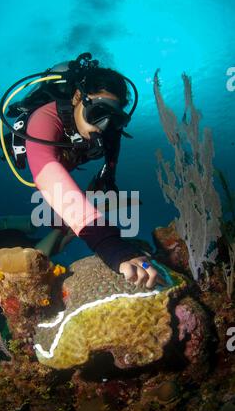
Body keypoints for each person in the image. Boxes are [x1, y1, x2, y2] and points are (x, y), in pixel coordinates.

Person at [25, 66, 165, 289]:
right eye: (99, 112)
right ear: (78, 97)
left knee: (72, 220)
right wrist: (108, 243)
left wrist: (87, 214)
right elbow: (47, 170)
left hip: (68, 176)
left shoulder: (108, 132)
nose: (104, 127)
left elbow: (107, 174)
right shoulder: (45, 118)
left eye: (114, 119)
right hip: (43, 162)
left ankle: (61, 230)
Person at [0, 215, 72, 284]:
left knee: (36, 256)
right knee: (49, 249)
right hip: (10, 235)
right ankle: (72, 228)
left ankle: (60, 230)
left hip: (5, 243)